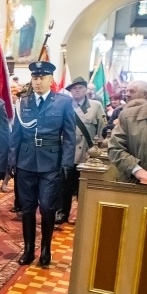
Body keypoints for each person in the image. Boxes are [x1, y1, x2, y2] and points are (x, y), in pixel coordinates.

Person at [8, 61, 75, 268]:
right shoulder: (23, 102)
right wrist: (12, 160)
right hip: (26, 161)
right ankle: (28, 249)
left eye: (42, 78)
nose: (38, 82)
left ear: (50, 80)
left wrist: (66, 163)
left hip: (51, 162)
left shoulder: (63, 102)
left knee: (47, 207)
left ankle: (46, 248)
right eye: (35, 78)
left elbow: (70, 136)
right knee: (27, 208)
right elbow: (16, 134)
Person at [57, 77, 105, 224]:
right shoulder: (65, 105)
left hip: (86, 152)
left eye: (80, 88)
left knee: (82, 187)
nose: (76, 91)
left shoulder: (96, 106)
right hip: (68, 152)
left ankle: (82, 215)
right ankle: (62, 213)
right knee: (64, 185)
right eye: (73, 88)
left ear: (86, 90)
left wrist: (98, 149)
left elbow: (101, 129)